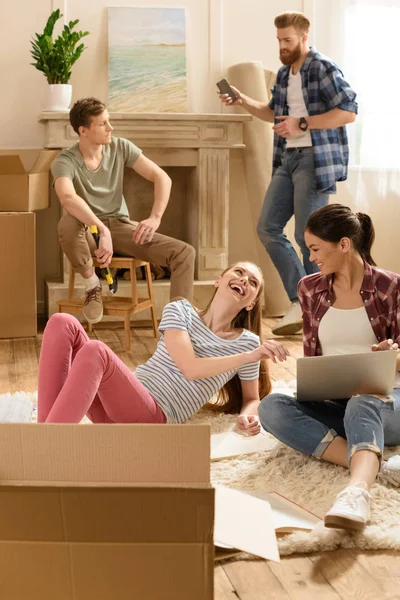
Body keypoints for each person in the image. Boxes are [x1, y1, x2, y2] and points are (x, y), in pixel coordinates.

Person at [258, 204, 400, 531]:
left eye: (316, 249)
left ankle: (357, 492)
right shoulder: (310, 288)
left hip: (388, 402)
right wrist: (311, 387)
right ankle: (371, 463)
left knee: (363, 400)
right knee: (272, 406)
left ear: (344, 244)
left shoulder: (390, 287)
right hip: (337, 402)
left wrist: (391, 355)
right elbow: (312, 357)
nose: (311, 258)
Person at [219, 11, 357, 336]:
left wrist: (302, 123)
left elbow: (348, 111)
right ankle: (305, 300)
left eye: (288, 40)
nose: (282, 46)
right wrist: (242, 101)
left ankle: (318, 311)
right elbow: (273, 113)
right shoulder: (284, 74)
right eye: (279, 40)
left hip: (315, 158)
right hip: (288, 158)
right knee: (267, 227)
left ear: (304, 38)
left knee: (307, 238)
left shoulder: (322, 67)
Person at [38, 262, 289, 431]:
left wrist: (249, 416)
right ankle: (42, 436)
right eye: (238, 273)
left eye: (253, 282)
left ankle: (46, 447)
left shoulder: (247, 343)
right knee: (62, 322)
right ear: (219, 280)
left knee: (95, 351)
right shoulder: (180, 310)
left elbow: (252, 398)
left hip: (155, 416)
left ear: (251, 304)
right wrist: (248, 357)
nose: (244, 280)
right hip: (121, 403)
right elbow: (189, 367)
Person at [52, 97, 195, 324]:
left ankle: (179, 325)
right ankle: (92, 286)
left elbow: (161, 177)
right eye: (102, 124)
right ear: (83, 130)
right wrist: (100, 229)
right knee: (68, 222)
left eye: (109, 121)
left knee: (184, 253)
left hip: (121, 227)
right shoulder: (65, 160)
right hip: (87, 231)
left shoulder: (120, 147)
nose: (111, 128)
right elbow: (67, 197)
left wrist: (155, 218)